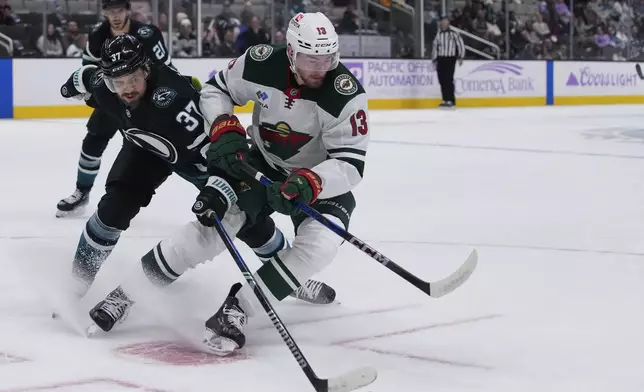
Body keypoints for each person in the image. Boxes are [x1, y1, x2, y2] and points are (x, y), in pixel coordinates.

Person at [59, 34, 336, 331]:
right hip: (145, 150)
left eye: (134, 79)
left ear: (147, 70)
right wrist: (69, 87)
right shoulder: (105, 86)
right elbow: (85, 77)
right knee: (113, 209)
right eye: (119, 82)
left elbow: (223, 155)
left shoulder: (175, 102)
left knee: (243, 218)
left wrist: (221, 188)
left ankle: (288, 275)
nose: (126, 89)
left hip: (200, 160)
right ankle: (75, 285)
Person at [156, 11, 368, 355]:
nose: (319, 68)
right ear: (291, 52)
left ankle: (238, 308)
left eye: (327, 59)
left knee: (321, 246)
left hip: (319, 179)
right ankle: (135, 287)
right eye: (310, 58)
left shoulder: (345, 93)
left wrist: (311, 181)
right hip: (264, 165)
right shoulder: (260, 62)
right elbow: (217, 89)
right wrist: (223, 123)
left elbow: (350, 163)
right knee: (216, 226)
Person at [55, 0, 172, 217]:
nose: (115, 16)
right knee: (92, 142)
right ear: (104, 12)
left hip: (143, 103)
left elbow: (165, 70)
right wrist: (95, 97)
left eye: (119, 10)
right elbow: (88, 71)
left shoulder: (147, 34)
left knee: (156, 149)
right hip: (112, 99)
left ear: (128, 10)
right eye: (110, 11)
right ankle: (82, 192)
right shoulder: (98, 35)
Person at [432, 16, 465, 108]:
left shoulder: (454, 33)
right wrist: (434, 59)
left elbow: (460, 44)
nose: (443, 23)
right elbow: (435, 46)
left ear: (448, 23)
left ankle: (451, 100)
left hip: (450, 58)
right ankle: (445, 99)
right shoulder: (439, 34)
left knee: (448, 79)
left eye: (445, 22)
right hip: (441, 58)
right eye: (442, 22)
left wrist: (461, 56)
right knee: (441, 79)